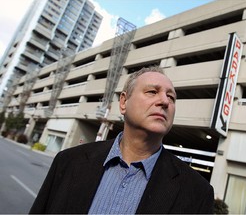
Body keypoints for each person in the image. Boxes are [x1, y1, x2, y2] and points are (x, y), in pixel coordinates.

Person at [29, 66, 214, 214]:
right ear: (124, 102)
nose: (164, 101)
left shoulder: (197, 192)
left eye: (171, 97)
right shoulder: (67, 162)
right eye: (152, 92)